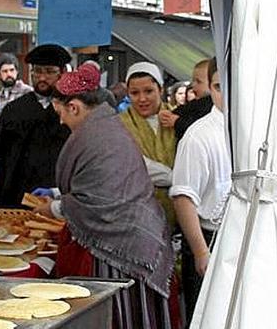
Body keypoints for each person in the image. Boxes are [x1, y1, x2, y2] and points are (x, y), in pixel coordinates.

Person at [32, 62, 174, 329]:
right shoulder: (107, 126)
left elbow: (95, 204)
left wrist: (52, 207)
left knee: (119, 315)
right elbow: (99, 184)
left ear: (74, 107)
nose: (61, 120)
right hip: (135, 234)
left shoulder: (96, 135)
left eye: (60, 112)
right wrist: (55, 193)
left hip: (121, 248)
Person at [170, 58, 231, 324]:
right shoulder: (199, 136)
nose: (226, 94)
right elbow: (184, 197)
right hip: (210, 237)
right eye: (218, 86)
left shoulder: (253, 131)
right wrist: (200, 251)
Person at [0, 44, 71, 208]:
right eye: (38, 71)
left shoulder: (72, 110)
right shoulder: (14, 110)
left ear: (62, 73)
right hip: (16, 198)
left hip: (58, 200)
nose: (42, 78)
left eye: (49, 72)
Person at [120, 61, 178, 226]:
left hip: (180, 212)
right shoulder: (119, 124)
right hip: (137, 216)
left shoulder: (178, 118)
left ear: (160, 90)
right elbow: (133, 164)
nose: (142, 99)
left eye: (149, 91)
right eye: (135, 93)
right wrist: (176, 177)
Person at [160, 59, 213, 140]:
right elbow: (183, 110)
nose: (193, 85)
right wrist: (169, 115)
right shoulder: (197, 102)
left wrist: (177, 122)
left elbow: (198, 128)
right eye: (193, 80)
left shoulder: (210, 106)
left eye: (199, 82)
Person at [0, 53, 33, 144]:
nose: (9, 74)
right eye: (5, 71)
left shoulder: (28, 93)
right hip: (0, 151)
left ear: (17, 71)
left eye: (12, 70)